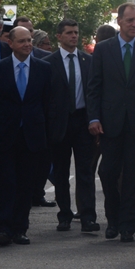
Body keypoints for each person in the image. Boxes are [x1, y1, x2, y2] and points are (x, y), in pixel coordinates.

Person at [86, 3, 135, 243]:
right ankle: (112, 219)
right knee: (108, 172)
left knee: (134, 177)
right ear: (120, 22)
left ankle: (127, 226)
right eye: (130, 21)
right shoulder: (104, 49)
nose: (134, 25)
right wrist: (93, 117)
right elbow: (94, 86)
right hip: (110, 123)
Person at [0, 26, 52, 247]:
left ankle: (20, 228)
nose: (27, 44)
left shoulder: (44, 68)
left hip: (32, 134)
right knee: (6, 181)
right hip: (5, 133)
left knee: (26, 183)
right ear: (11, 44)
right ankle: (2, 227)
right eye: (22, 41)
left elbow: (47, 102)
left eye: (29, 40)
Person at [47, 18, 98, 233]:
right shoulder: (49, 63)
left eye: (76, 32)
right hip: (59, 123)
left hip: (82, 121)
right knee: (61, 172)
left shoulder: (88, 61)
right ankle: (64, 214)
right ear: (59, 36)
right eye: (69, 33)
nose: (74, 36)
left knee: (85, 172)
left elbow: (95, 92)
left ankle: (87, 216)